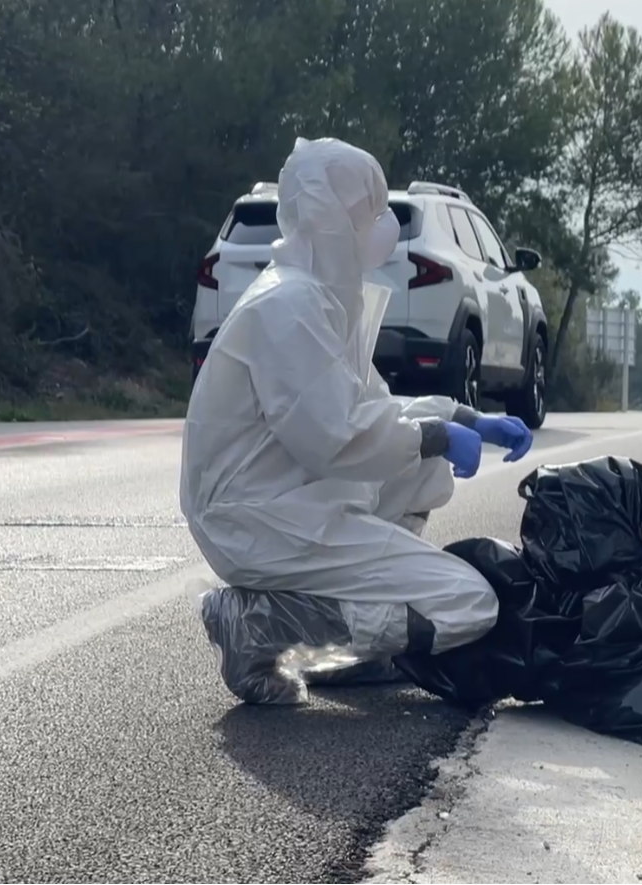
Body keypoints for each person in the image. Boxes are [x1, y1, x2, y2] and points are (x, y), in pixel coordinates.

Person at [180, 137, 534, 705]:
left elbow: (370, 409)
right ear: (331, 220)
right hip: (260, 517)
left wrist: (464, 417)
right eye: (368, 213)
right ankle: (263, 625)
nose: (383, 226)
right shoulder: (289, 307)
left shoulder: (319, 298)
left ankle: (341, 643)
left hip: (280, 496)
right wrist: (437, 435)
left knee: (426, 469)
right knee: (469, 603)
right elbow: (334, 437)